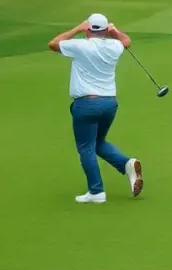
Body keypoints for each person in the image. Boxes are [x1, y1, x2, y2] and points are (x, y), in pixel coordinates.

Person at [48, 14, 143, 204]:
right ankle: (126, 164)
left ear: (88, 29)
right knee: (98, 142)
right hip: (109, 104)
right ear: (105, 30)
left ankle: (96, 191)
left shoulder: (80, 45)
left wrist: (77, 28)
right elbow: (126, 41)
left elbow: (53, 44)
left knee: (85, 147)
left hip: (86, 104)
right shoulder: (114, 46)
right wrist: (114, 31)